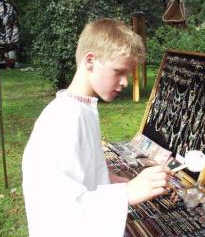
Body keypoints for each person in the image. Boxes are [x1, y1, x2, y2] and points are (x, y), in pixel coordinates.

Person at [22, 18, 171, 237]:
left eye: (127, 75)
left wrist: (107, 178)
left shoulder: (81, 108)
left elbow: (76, 172)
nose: (124, 83)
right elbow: (57, 211)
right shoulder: (62, 120)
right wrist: (127, 193)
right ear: (90, 61)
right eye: (118, 72)